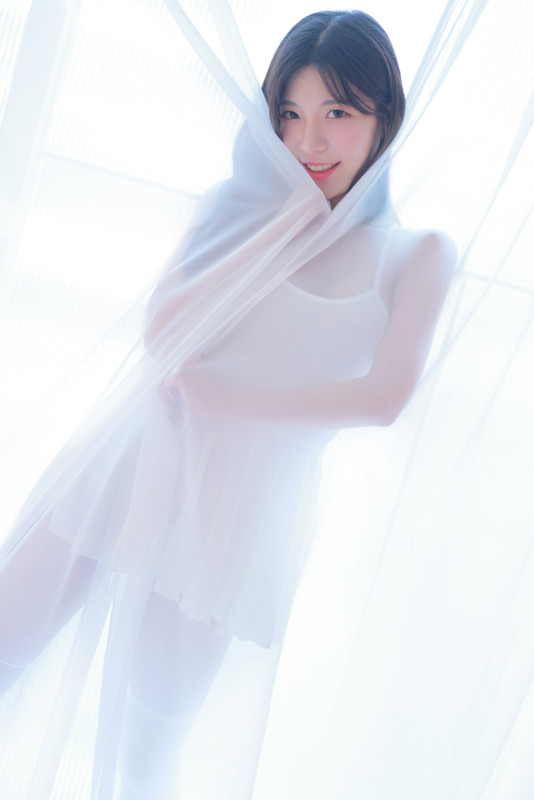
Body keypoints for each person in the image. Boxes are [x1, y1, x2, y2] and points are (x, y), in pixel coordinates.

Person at [0, 10, 456, 800]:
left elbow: (385, 398)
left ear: (384, 118)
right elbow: (162, 328)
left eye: (337, 113)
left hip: (240, 516)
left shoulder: (418, 254)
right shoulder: (235, 208)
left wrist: (229, 398)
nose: (309, 141)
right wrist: (277, 228)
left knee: (144, 755)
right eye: (290, 115)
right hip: (132, 458)